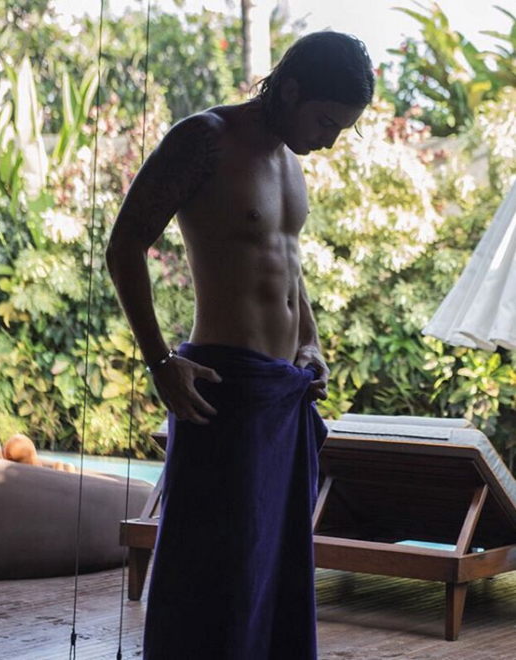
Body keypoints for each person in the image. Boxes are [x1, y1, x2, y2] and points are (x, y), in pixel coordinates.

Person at [106, 31, 374, 660]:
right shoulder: (204, 139)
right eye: (326, 123)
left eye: (342, 129)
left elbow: (288, 268)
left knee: (273, 579)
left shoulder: (290, 161)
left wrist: (310, 343)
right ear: (290, 90)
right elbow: (124, 246)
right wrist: (161, 362)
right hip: (222, 391)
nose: (330, 141)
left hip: (283, 396)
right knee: (213, 580)